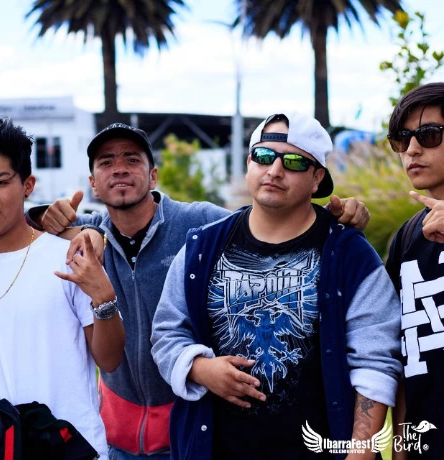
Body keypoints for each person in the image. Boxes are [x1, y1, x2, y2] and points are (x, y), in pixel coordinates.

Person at [29, 122, 371, 458]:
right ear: (92, 183)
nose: (119, 169)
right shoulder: (89, 237)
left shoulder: (200, 226)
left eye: (132, 159)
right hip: (118, 435)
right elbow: (18, 226)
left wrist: (333, 216)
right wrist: (46, 216)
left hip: (188, 425)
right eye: (106, 162)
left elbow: (269, 223)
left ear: (153, 176)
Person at [150, 112, 402, 459]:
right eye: (264, 156)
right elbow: (166, 332)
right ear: (249, 164)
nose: (275, 170)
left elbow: (376, 361)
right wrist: (199, 368)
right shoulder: (202, 248)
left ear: (317, 178)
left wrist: (360, 453)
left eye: (295, 162)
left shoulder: (350, 255)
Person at [0, 118, 125, 459]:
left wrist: (104, 298)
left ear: (27, 185)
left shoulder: (68, 257)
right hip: (4, 449)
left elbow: (110, 359)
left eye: (0, 182)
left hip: (76, 447)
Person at [386, 82, 444, 459]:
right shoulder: (406, 239)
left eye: (429, 134)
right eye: (402, 138)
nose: (412, 149)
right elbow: (407, 354)